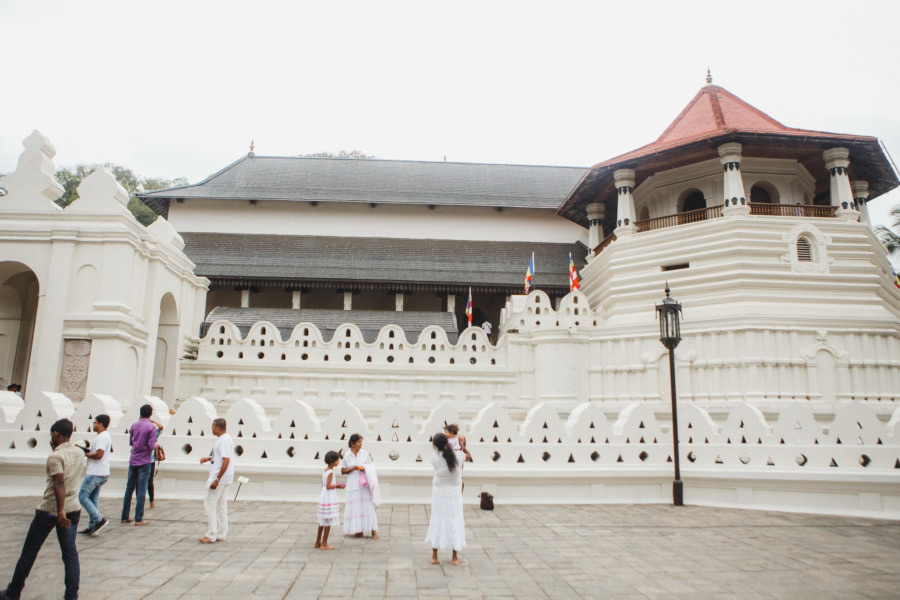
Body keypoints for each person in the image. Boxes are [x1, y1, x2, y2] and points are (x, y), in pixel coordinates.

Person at [1, 419, 85, 600]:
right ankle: (71, 596)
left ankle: (13, 592)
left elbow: (59, 482)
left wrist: (60, 511)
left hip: (51, 510)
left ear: (56, 434)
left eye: (52, 435)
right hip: (74, 508)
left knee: (29, 552)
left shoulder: (55, 457)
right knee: (70, 554)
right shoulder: (79, 452)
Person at [426, 432, 466, 565]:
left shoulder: (434, 457)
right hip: (454, 494)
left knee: (437, 520)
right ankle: (454, 557)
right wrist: (460, 444)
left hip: (439, 493)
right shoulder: (459, 456)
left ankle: (434, 556)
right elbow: (466, 456)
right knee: (455, 520)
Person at [198, 418, 234, 543]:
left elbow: (226, 460)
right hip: (226, 477)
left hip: (219, 477)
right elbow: (220, 457)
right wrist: (208, 459)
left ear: (217, 428)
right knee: (221, 505)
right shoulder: (224, 438)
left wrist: (217, 479)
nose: (211, 429)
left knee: (209, 503)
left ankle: (211, 534)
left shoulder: (223, 440)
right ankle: (221, 533)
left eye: (212, 427)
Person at [120, 404, 157, 526]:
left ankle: (125, 516)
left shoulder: (134, 425)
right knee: (141, 489)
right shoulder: (151, 427)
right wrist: (157, 446)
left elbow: (131, 442)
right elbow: (152, 446)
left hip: (133, 459)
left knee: (129, 488)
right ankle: (138, 518)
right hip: (145, 461)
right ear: (151, 414)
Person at [78, 414, 112, 537]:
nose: (94, 424)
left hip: (96, 473)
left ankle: (99, 519)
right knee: (92, 498)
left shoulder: (102, 437)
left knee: (82, 496)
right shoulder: (103, 436)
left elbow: (99, 455)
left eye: (95, 422)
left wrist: (83, 454)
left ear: (100, 424)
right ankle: (93, 525)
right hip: (101, 472)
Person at [340, 433, 378, 538]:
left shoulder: (364, 453)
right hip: (353, 485)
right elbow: (342, 470)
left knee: (367, 506)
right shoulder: (347, 456)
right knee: (355, 508)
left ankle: (373, 531)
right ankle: (358, 530)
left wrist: (364, 467)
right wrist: (352, 469)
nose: (361, 444)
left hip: (364, 484)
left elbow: (371, 466)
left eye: (361, 442)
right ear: (353, 444)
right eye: (359, 442)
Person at [315, 451, 345, 550]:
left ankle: (318, 541)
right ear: (332, 461)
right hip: (329, 496)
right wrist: (338, 485)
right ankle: (324, 543)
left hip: (324, 495)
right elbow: (328, 486)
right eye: (337, 460)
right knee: (328, 519)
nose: (338, 462)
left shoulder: (326, 470)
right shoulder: (331, 473)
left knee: (322, 520)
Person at [147, 417, 164, 509]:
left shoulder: (153, 435)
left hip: (150, 461)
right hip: (143, 460)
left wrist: (153, 421)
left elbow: (161, 427)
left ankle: (151, 501)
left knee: (149, 482)